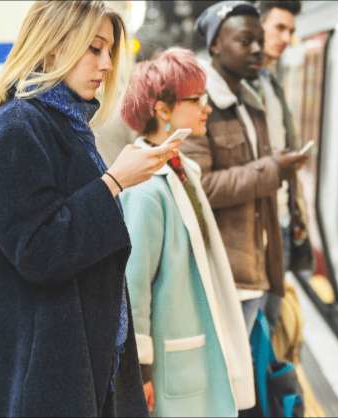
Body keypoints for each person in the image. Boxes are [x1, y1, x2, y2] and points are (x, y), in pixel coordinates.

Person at [0, 2, 180, 416]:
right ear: (51, 48)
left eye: (109, 52)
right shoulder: (17, 128)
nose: (105, 65)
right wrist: (114, 181)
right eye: (93, 48)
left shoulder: (65, 124)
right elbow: (37, 250)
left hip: (77, 364)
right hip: (40, 378)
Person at [119, 48, 255, 417]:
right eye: (196, 99)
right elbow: (135, 286)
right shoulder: (146, 189)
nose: (206, 108)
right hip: (171, 362)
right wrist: (141, 368)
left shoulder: (183, 169)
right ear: (162, 110)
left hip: (191, 351)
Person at [184, 0, 307, 333]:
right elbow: (199, 187)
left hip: (257, 268)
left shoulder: (250, 104)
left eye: (258, 40)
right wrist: (272, 170)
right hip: (225, 277)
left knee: (255, 372)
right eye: (244, 41)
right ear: (214, 45)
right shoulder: (198, 104)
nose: (257, 49)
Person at [248, 0, 308, 328]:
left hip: (280, 218)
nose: (286, 37)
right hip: (258, 226)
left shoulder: (272, 85)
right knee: (256, 325)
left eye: (291, 31)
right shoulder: (244, 85)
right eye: (279, 28)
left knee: (269, 322)